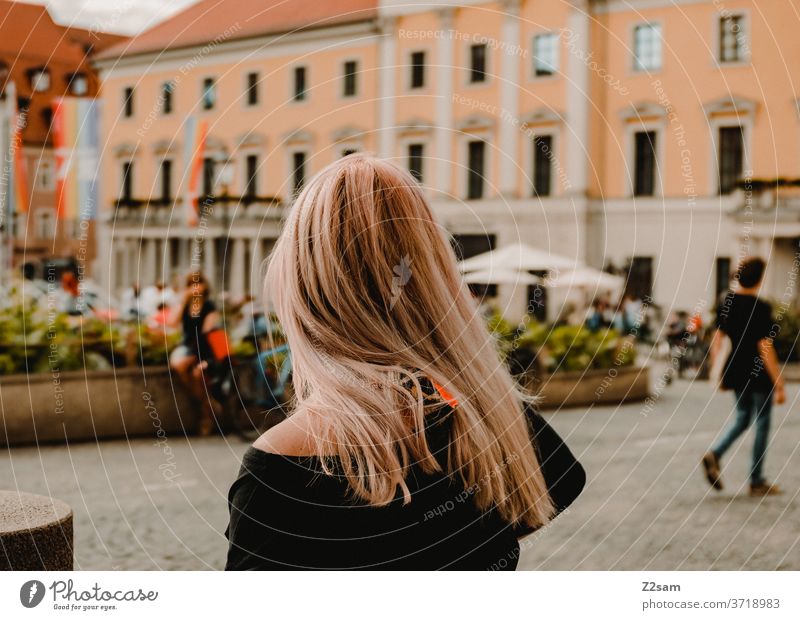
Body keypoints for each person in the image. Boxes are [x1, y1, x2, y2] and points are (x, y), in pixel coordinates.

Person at [225, 155, 585, 570]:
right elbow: (557, 485)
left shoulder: (279, 470)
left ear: (304, 284)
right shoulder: (483, 412)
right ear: (434, 273)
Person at [703, 257, 786, 496]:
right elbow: (765, 347)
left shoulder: (726, 301)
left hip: (736, 369)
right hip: (759, 372)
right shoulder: (762, 308)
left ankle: (716, 453)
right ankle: (757, 479)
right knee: (762, 422)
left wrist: (715, 370)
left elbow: (717, 340)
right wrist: (779, 383)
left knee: (742, 417)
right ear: (760, 279)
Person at [169, 271, 221, 436]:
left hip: (204, 348)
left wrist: (202, 357)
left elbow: (208, 334)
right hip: (187, 346)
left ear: (205, 286)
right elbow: (172, 323)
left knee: (197, 373)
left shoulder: (209, 306)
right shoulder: (185, 305)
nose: (195, 288)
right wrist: (183, 301)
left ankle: (205, 415)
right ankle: (207, 403)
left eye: (198, 284)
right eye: (191, 285)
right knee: (178, 366)